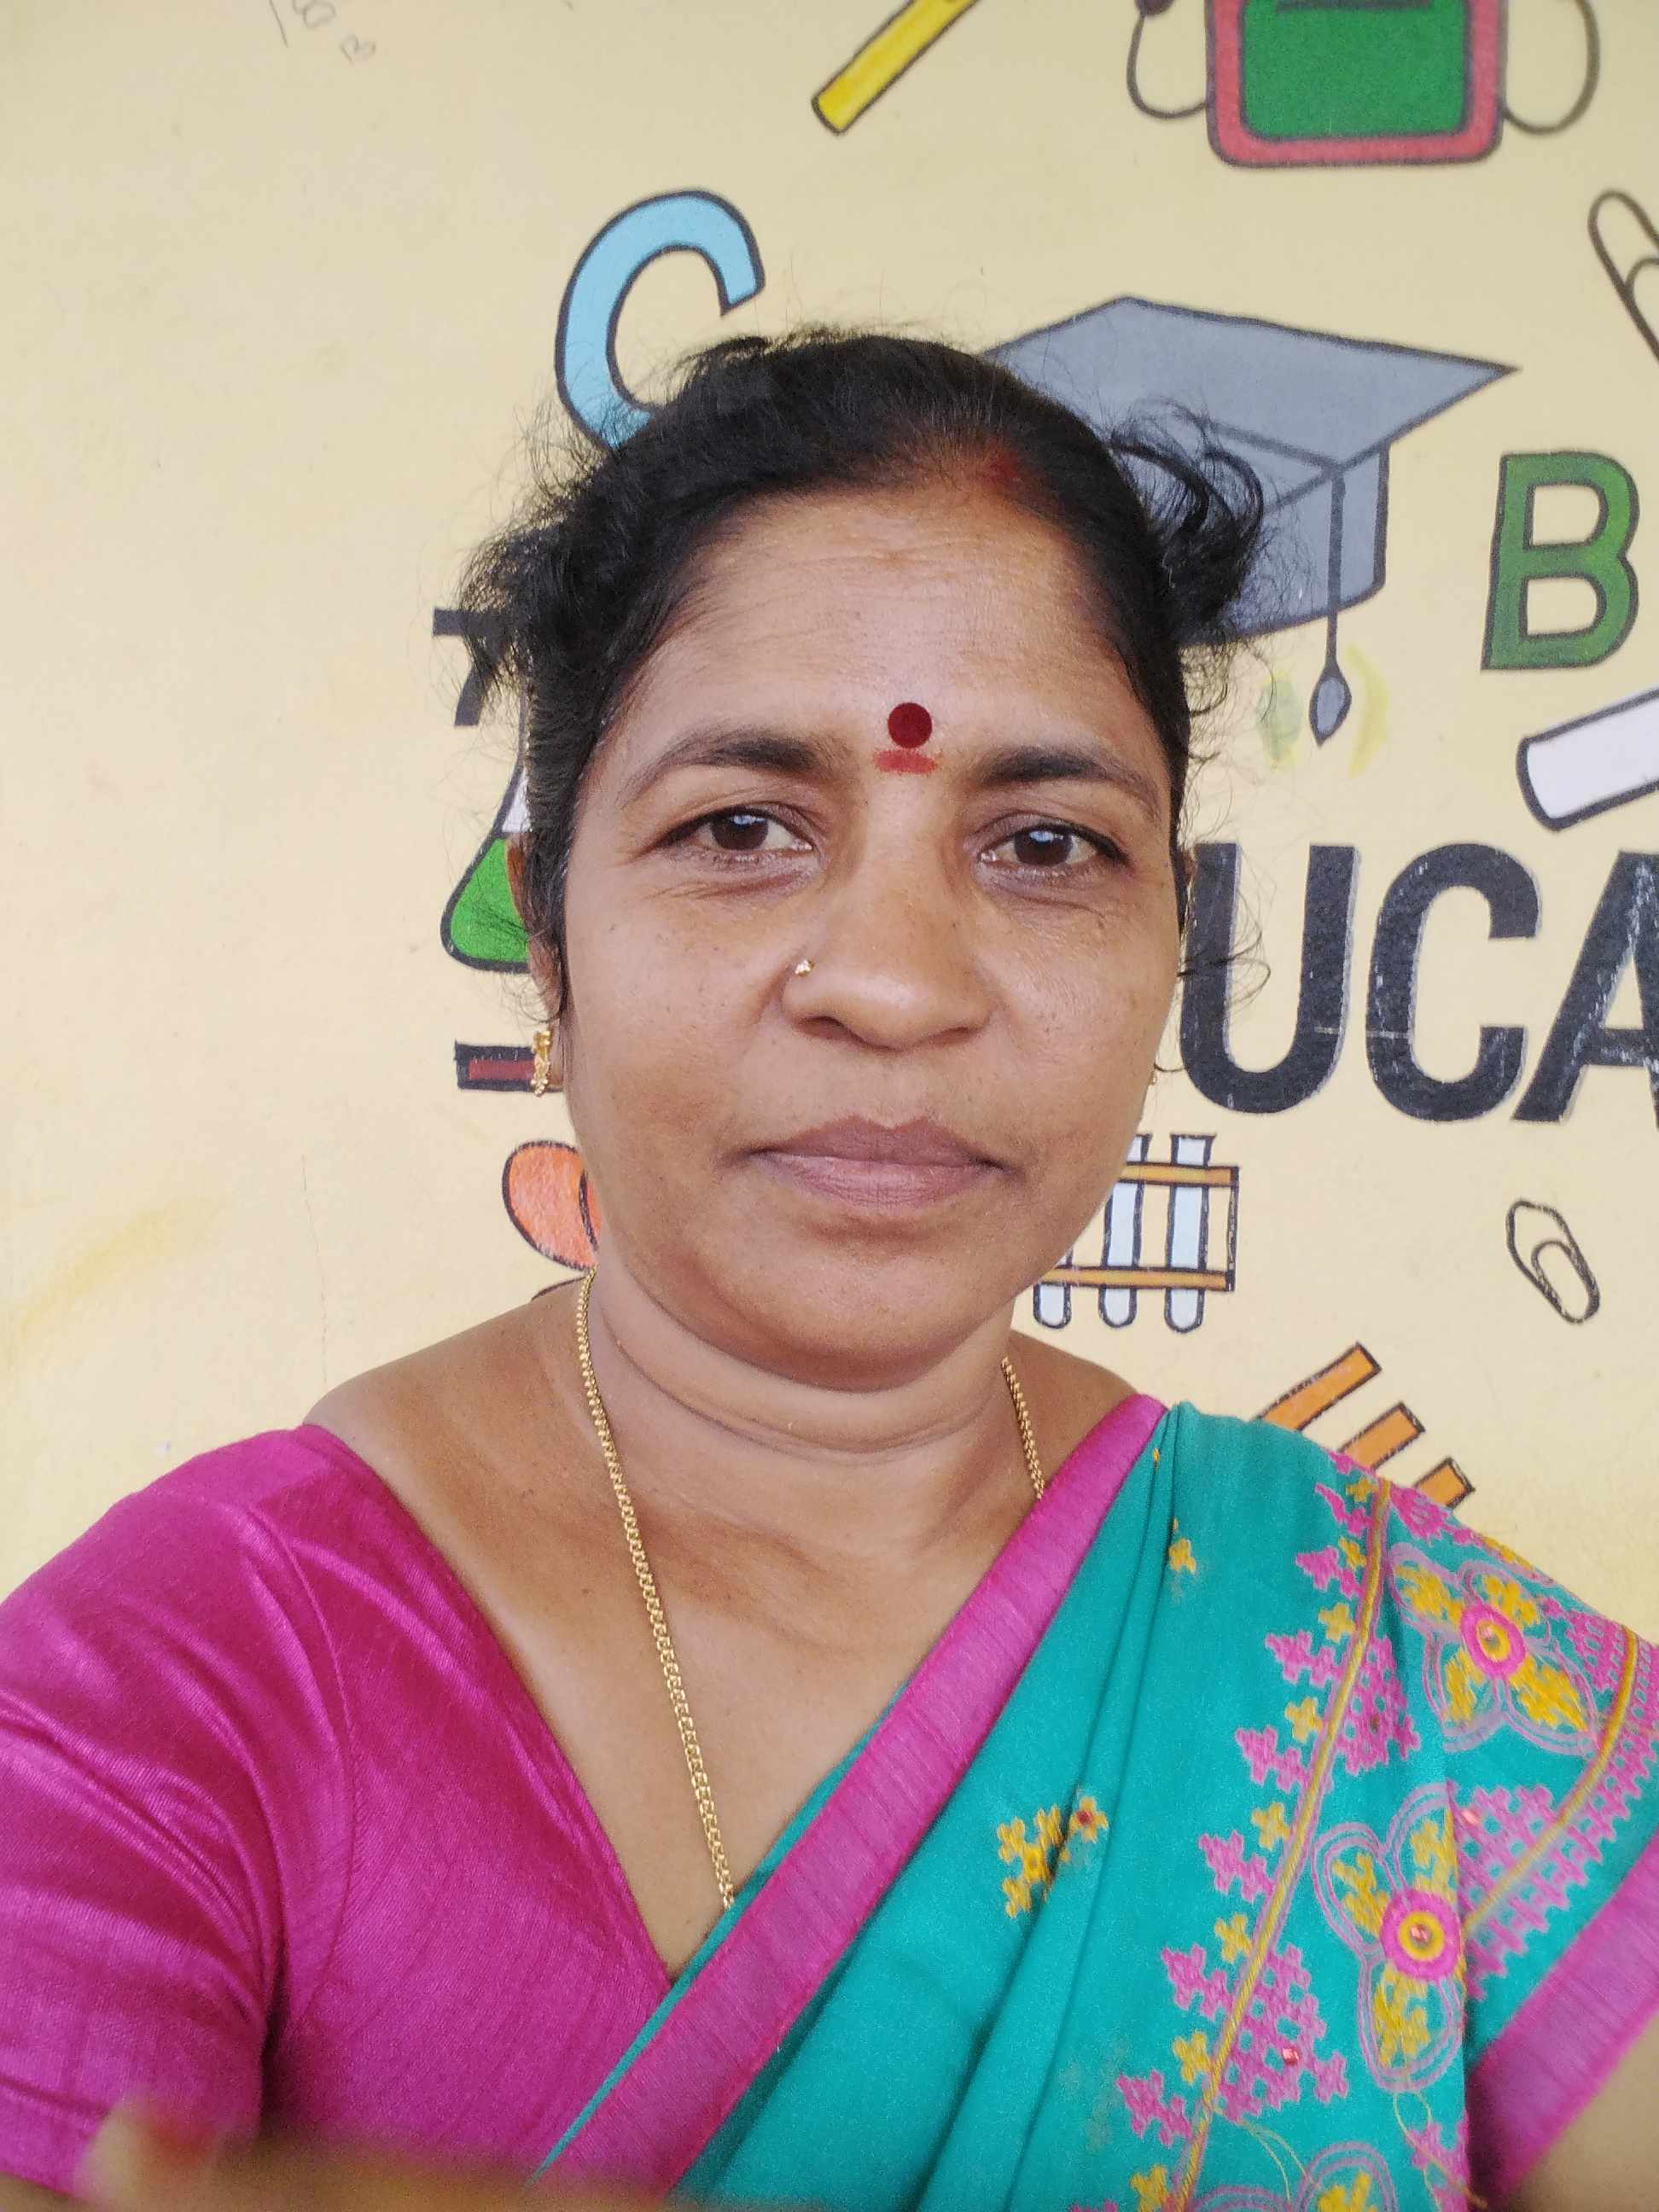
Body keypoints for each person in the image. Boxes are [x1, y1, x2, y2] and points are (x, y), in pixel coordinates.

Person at [0, 330, 1654, 2212]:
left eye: (1046, 844)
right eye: (742, 829)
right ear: (549, 939)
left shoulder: (1392, 1667)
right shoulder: (173, 1694)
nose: (895, 982)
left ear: (1172, 940)